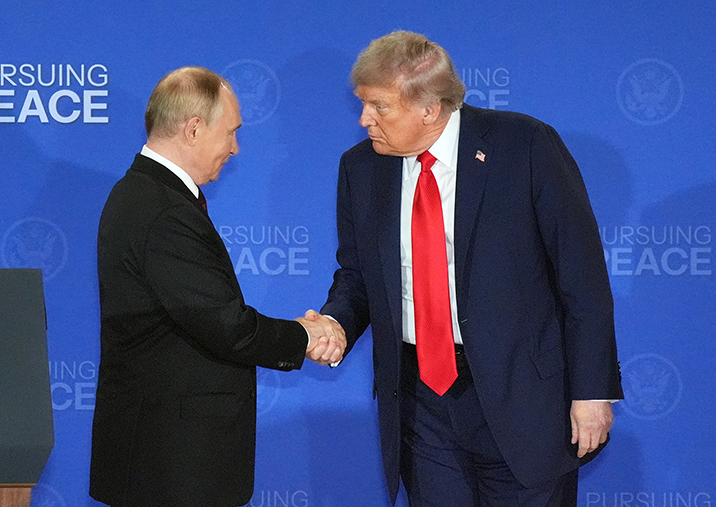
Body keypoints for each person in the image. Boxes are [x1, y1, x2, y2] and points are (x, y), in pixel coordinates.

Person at [313, 31, 623, 506]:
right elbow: (356, 276)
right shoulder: (361, 168)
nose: (364, 119)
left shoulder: (524, 145)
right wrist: (336, 322)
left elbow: (582, 278)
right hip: (421, 404)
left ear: (428, 108)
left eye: (379, 106)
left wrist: (592, 391)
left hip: (523, 399)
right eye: (364, 104)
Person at [90, 66, 346, 507]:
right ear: (193, 129)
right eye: (230, 133)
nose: (235, 148)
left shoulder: (144, 195)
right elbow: (225, 326)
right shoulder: (163, 210)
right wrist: (305, 337)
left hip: (163, 458)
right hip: (171, 464)